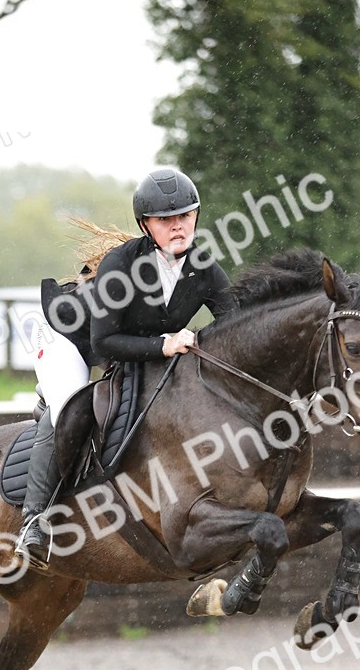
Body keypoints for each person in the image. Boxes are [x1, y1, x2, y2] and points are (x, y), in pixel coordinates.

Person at [16, 166, 237, 568]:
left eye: (185, 216)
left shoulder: (203, 267)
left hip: (130, 346)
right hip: (71, 338)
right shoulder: (122, 264)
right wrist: (166, 344)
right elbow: (104, 343)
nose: (178, 226)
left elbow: (236, 326)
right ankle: (33, 520)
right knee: (69, 406)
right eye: (166, 220)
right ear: (145, 225)